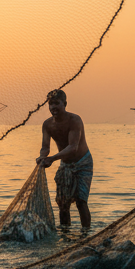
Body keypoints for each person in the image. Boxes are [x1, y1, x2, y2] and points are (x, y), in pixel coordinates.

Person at [36, 89, 92, 228]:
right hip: (65, 164)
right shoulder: (47, 125)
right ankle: (65, 235)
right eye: (51, 104)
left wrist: (52, 159)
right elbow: (45, 147)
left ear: (64, 104)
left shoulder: (74, 120)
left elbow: (73, 146)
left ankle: (85, 234)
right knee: (62, 203)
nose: (53, 107)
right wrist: (42, 157)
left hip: (83, 162)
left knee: (81, 201)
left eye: (57, 103)